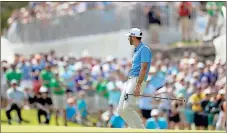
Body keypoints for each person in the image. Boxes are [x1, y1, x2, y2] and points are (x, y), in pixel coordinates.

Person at [117, 28, 152, 129]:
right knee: (120, 110)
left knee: (127, 108)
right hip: (131, 80)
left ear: (133, 37)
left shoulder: (144, 49)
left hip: (137, 80)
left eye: (129, 37)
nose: (128, 39)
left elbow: (144, 68)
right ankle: (137, 129)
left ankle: (141, 130)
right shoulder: (136, 49)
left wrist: (138, 86)